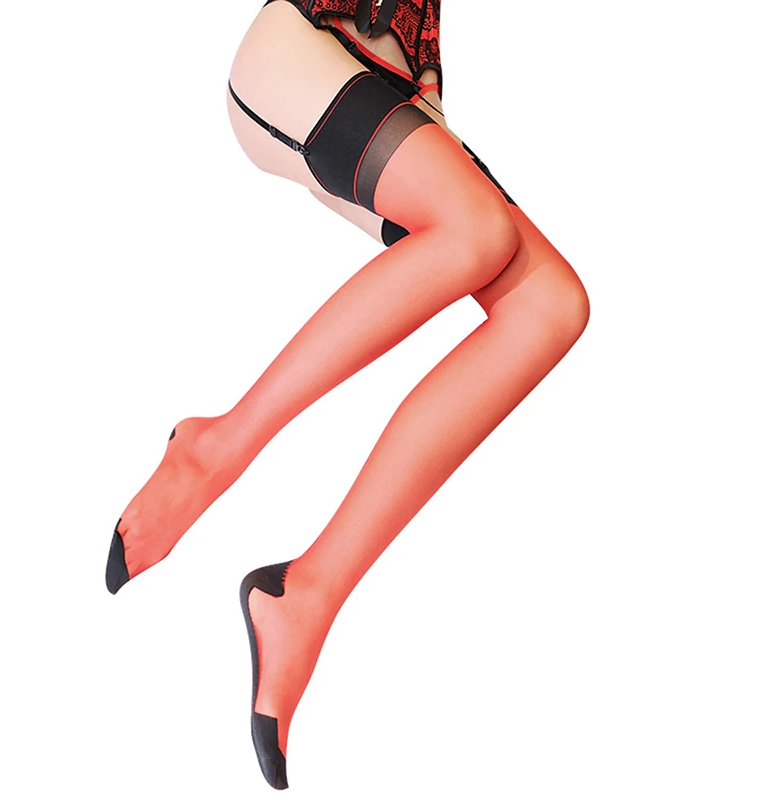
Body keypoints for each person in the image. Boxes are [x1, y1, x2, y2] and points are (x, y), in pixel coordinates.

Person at [105, 0, 591, 789]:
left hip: (399, 95)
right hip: (302, 49)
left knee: (549, 309)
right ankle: (216, 446)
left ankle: (306, 593)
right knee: (477, 232)